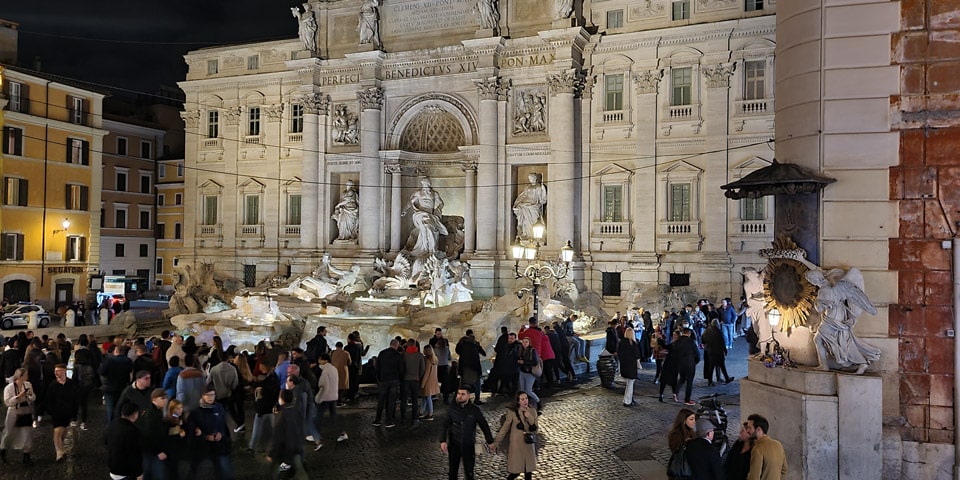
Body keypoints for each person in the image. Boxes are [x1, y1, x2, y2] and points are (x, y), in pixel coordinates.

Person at [439, 386, 495, 480]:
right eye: (458, 394)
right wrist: (443, 440)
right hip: (454, 445)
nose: (459, 396)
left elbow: (484, 425)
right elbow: (444, 425)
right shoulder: (451, 409)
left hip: (468, 445)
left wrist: (490, 441)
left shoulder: (474, 410)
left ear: (468, 396)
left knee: (469, 472)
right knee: (452, 472)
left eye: (463, 394)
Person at [188, 385, 234, 479]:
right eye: (207, 395)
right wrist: (205, 437)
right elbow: (192, 433)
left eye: (212, 395)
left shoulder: (219, 407)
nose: (210, 398)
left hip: (220, 446)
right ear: (202, 396)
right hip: (204, 449)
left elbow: (223, 424)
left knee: (225, 472)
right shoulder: (196, 413)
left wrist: (221, 434)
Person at [493, 391, 539, 479]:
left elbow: (535, 429)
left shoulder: (532, 411)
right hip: (517, 445)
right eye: (522, 399)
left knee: (528, 471)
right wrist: (496, 442)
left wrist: (529, 416)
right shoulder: (512, 412)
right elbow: (505, 428)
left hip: (528, 444)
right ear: (518, 401)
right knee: (515, 472)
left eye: (526, 398)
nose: (525, 401)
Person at [401, 177, 448, 256]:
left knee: (430, 228)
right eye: (424, 184)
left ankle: (431, 249)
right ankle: (423, 248)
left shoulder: (434, 193)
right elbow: (410, 202)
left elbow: (441, 203)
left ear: (429, 184)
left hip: (430, 214)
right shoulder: (418, 193)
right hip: (420, 214)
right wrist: (404, 210)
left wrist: (438, 210)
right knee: (426, 227)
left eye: (427, 184)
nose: (426, 186)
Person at [269, 389, 306, 480]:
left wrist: (273, 454)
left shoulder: (282, 415)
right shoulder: (296, 410)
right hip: (297, 449)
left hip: (286, 454)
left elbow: (278, 437)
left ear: (281, 398)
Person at [45, 364, 78, 462]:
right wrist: (51, 411)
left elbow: (75, 399)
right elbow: (48, 400)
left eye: (58, 370)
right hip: (57, 412)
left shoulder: (71, 384)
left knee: (63, 432)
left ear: (64, 371)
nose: (56, 373)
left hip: (67, 412)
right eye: (55, 371)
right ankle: (59, 453)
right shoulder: (52, 385)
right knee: (58, 431)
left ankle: (61, 449)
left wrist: (74, 413)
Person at [1, 368, 35, 465]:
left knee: (27, 433)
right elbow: (7, 402)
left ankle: (26, 456)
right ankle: (3, 450)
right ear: (20, 376)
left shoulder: (28, 385)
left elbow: (33, 397)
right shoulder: (9, 388)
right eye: (26, 374)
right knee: (9, 432)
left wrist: (29, 395)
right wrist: (18, 397)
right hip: (14, 412)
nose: (27, 376)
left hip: (26, 411)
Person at [315, 354, 348, 444]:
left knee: (318, 416)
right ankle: (341, 433)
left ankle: (315, 434)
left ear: (324, 360)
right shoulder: (333, 369)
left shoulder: (326, 370)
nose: (319, 361)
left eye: (320, 359)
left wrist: (319, 397)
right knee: (333, 416)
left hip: (326, 397)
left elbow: (323, 385)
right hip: (333, 396)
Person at [140, 388, 171, 480]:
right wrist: (158, 452)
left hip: (150, 450)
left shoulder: (155, 411)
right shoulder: (151, 416)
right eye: (162, 398)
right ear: (154, 399)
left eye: (166, 397)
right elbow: (149, 436)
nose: (165, 400)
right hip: (152, 451)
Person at [373, 339, 404, 428]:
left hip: (383, 380)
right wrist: (399, 378)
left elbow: (377, 367)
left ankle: (377, 420)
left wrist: (378, 378)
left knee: (381, 400)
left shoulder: (382, 353)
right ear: (397, 345)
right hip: (394, 380)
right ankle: (389, 420)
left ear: (390, 344)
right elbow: (401, 369)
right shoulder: (398, 356)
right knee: (391, 401)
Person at [746, 413, 788, 480]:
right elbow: (784, 469)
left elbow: (754, 477)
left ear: (758, 429)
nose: (747, 431)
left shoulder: (758, 449)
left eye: (749, 428)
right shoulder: (778, 444)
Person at [99, 343, 133, 425]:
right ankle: (120, 422)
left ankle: (111, 424)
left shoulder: (109, 360)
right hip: (122, 386)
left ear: (115, 351)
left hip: (109, 387)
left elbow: (102, 372)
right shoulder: (128, 361)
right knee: (120, 405)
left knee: (110, 407)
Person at [108, 402, 143, 479]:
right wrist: (139, 473)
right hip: (125, 472)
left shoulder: (114, 423)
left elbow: (106, 440)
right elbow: (135, 455)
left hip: (113, 468)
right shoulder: (133, 431)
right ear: (135, 414)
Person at [669, 328, 700, 405]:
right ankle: (687, 399)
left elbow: (673, 351)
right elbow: (697, 354)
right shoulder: (691, 342)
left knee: (682, 379)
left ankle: (675, 392)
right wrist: (695, 362)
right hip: (690, 363)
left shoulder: (677, 342)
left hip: (680, 363)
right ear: (689, 333)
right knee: (689, 381)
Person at [512, 172, 547, 241]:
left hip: (534, 204)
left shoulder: (539, 186)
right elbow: (523, 195)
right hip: (526, 203)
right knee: (523, 216)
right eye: (529, 179)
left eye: (532, 178)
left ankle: (534, 237)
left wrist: (542, 192)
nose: (531, 180)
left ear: (535, 178)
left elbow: (542, 198)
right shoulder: (527, 187)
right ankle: (525, 234)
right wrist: (517, 204)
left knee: (535, 220)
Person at [456, 330, 487, 404]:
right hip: (474, 369)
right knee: (477, 384)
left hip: (464, 368)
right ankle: (477, 399)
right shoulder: (475, 345)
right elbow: (483, 353)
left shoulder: (462, 345)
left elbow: (457, 351)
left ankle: (463, 398)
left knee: (463, 384)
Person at [702, 319, 734, 386]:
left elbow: (703, 340)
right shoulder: (718, 332)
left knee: (711, 366)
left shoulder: (707, 331)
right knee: (722, 365)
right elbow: (722, 342)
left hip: (710, 351)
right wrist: (725, 351)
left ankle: (710, 381)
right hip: (718, 351)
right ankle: (726, 378)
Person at [400, 339, 424, 423]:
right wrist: (419, 377)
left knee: (403, 399)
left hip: (405, 380)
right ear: (415, 345)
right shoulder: (420, 355)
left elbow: (401, 368)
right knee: (415, 400)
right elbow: (422, 369)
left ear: (407, 345)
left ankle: (403, 417)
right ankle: (414, 418)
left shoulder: (403, 355)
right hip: (415, 380)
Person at [516, 337, 541, 413]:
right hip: (522, 371)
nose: (524, 343)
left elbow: (534, 362)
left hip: (530, 372)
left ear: (529, 343)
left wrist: (524, 362)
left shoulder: (532, 351)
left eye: (526, 342)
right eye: (523, 342)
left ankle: (538, 402)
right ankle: (523, 406)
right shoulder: (520, 350)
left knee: (528, 390)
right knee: (522, 390)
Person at [618, 327, 642, 407]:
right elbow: (637, 355)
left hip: (624, 366)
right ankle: (627, 400)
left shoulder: (621, 343)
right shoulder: (633, 344)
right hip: (631, 366)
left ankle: (629, 398)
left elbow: (619, 354)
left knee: (628, 383)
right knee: (630, 384)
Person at [429, 328, 453, 403]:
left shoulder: (436, 349)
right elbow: (449, 357)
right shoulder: (445, 349)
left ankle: (434, 396)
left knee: (435, 381)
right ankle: (445, 398)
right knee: (445, 382)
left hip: (437, 365)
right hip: (444, 365)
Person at [420, 344, 440, 420]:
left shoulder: (428, 360)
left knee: (427, 397)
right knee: (426, 397)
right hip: (433, 380)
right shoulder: (435, 359)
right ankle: (421, 412)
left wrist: (422, 384)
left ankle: (430, 414)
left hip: (428, 381)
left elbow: (426, 373)